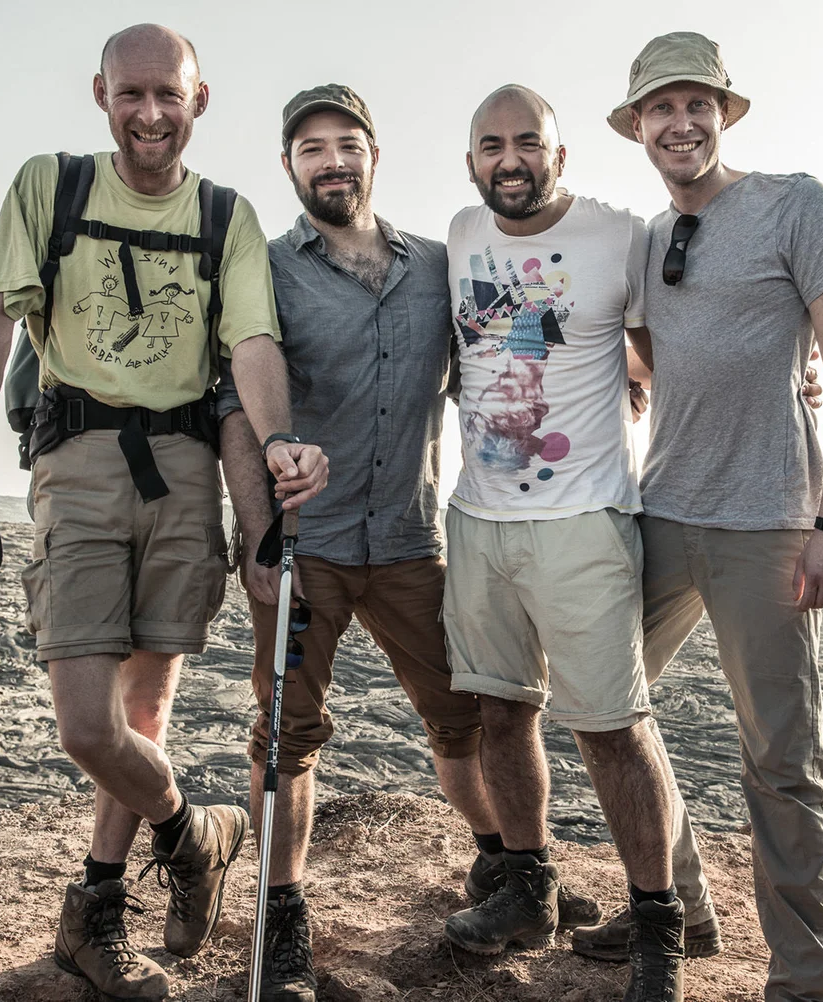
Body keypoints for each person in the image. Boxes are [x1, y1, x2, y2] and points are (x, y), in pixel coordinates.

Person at [0, 24, 326, 1002]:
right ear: (101, 94)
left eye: (168, 95)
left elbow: (253, 346)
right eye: (131, 94)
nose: (150, 114)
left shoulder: (224, 216)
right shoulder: (51, 186)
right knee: (88, 728)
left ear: (199, 100)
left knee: (147, 709)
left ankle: (95, 911)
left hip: (184, 471)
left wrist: (276, 445)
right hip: (78, 465)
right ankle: (194, 834)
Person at [219, 84, 598, 1002]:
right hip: (304, 546)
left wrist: (636, 368)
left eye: (347, 144)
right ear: (289, 166)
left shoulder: (437, 265)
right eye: (312, 149)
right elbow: (232, 404)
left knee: (465, 720)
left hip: (409, 542)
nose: (332, 162)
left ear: (374, 156)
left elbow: (514, 352)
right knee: (286, 737)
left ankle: (508, 869)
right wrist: (257, 533)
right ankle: (282, 919)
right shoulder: (264, 270)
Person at [580, 32, 823, 1002]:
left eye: (696, 104)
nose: (680, 123)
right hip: (662, 513)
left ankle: (805, 980)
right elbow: (653, 354)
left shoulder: (795, 204)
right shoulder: (645, 240)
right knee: (601, 704)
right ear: (637, 127)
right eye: (661, 108)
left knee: (781, 762)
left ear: (722, 114)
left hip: (770, 526)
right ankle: (680, 906)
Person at [437, 85, 682, 1002]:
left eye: (528, 142)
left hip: (583, 521)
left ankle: (656, 927)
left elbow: (667, 351)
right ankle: (527, 888)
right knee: (502, 713)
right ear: (471, 160)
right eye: (492, 144)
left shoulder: (619, 235)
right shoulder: (461, 235)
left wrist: (793, 372)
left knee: (613, 728)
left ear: (559, 154)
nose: (511, 159)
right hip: (480, 517)